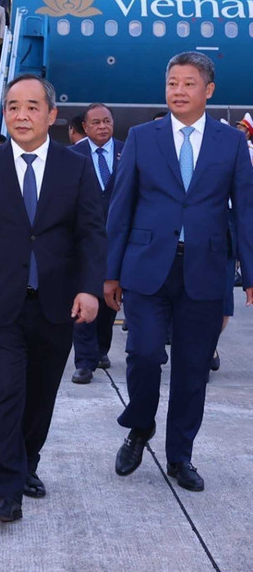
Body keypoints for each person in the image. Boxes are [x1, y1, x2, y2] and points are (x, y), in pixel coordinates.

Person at [0, 74, 105, 522]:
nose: (22, 115)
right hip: (0, 304)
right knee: (6, 393)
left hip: (57, 303)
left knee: (40, 396)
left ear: (52, 115)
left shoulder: (76, 167)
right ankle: (4, 490)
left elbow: (91, 234)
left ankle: (27, 464)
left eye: (32, 107)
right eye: (13, 107)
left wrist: (89, 288)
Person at [106, 52, 253, 493]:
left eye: (189, 84)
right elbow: (120, 207)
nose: (179, 91)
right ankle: (140, 425)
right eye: (172, 83)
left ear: (209, 90)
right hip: (147, 267)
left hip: (205, 268)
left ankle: (180, 455)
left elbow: (246, 212)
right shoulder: (141, 137)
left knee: (192, 368)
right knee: (144, 353)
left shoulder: (231, 143)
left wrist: (250, 276)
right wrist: (110, 273)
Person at [70, 103, 125, 384]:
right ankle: (84, 362)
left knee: (109, 299)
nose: (103, 127)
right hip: (83, 241)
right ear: (85, 127)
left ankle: (101, 349)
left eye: (107, 121)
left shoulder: (129, 152)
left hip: (119, 240)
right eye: (96, 122)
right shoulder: (72, 155)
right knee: (84, 295)